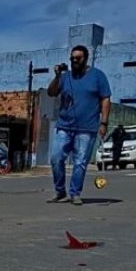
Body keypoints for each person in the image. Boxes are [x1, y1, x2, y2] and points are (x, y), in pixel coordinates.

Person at [46, 45, 112, 205]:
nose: (75, 61)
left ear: (86, 58)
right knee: (56, 158)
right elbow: (51, 92)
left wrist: (104, 122)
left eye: (78, 58)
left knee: (80, 162)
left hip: (87, 128)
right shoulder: (65, 77)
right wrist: (57, 76)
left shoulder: (98, 76)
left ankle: (75, 193)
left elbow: (105, 99)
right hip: (64, 126)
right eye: (72, 58)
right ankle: (60, 192)